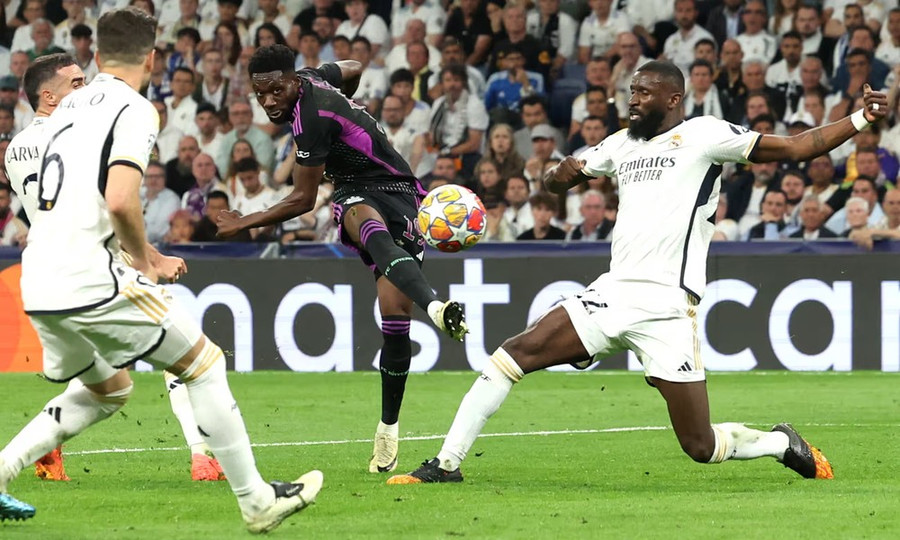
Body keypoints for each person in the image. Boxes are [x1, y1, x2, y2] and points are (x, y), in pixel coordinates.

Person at [385, 59, 889, 486]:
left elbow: (798, 147)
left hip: (668, 307)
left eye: (644, 93)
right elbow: (560, 177)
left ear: (673, 99)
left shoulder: (705, 135)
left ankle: (780, 442)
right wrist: (557, 174)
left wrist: (860, 120)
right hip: (612, 295)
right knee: (510, 357)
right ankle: (445, 465)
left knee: (700, 445)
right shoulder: (621, 144)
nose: (632, 101)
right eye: (631, 92)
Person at [0, 9, 322, 531]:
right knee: (203, 364)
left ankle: (1, 471)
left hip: (37, 278)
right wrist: (147, 259)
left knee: (112, 390)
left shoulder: (64, 110)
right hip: (90, 276)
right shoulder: (135, 108)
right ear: (152, 59)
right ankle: (257, 500)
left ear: (98, 58)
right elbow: (123, 200)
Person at [216, 44, 468, 475]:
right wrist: (350, 104)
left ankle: (389, 424)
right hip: (362, 190)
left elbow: (301, 199)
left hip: (397, 190)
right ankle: (437, 307)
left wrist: (245, 222)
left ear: (293, 80)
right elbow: (352, 67)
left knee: (394, 319)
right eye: (261, 95)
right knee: (369, 231)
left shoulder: (309, 119)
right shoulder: (315, 77)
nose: (269, 101)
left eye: (276, 90)